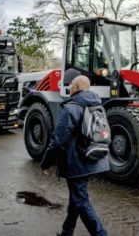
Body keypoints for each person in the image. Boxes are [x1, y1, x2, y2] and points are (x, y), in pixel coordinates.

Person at [40, 75, 109, 236]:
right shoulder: (99, 105)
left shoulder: (72, 107)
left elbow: (58, 140)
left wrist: (45, 163)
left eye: (71, 84)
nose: (69, 86)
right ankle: (67, 232)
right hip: (93, 157)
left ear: (77, 87)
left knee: (81, 200)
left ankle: (100, 234)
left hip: (77, 162)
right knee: (76, 197)